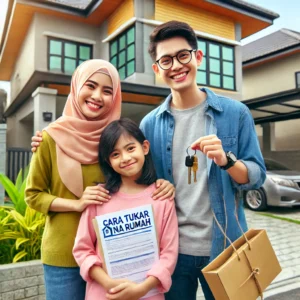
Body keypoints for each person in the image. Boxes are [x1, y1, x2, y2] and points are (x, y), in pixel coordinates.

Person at [25, 60, 175, 300]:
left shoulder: (112, 139)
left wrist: (162, 184)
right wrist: (76, 204)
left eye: (107, 91)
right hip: (63, 254)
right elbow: (33, 195)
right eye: (91, 86)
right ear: (77, 86)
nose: (97, 96)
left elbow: (133, 181)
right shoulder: (50, 138)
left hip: (113, 258)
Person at [139, 20, 266, 300]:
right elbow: (137, 179)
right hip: (172, 252)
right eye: (166, 60)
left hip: (226, 248)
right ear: (157, 69)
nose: (176, 66)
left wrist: (227, 161)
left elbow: (257, 176)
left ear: (198, 57)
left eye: (183, 55)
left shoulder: (236, 114)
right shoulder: (149, 125)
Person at [72, 118, 178, 300]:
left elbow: (168, 253)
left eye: (130, 148)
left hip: (148, 295)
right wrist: (107, 282)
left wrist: (142, 289)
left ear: (145, 147)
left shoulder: (162, 198)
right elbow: (82, 249)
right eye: (115, 154)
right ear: (108, 161)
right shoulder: (100, 198)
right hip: (104, 294)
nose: (126, 158)